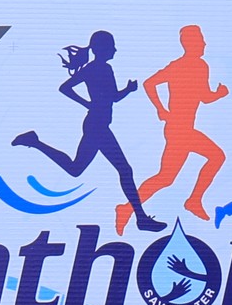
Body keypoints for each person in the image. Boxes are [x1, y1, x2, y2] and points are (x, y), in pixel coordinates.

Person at [16, 30, 162, 232]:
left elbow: (111, 97)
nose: (115, 50)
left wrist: (126, 91)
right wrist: (88, 103)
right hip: (97, 126)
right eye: (111, 46)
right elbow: (66, 88)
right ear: (101, 49)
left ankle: (34, 142)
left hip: (97, 125)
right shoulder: (95, 69)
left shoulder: (103, 68)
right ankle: (141, 218)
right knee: (124, 170)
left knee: (76, 169)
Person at [132, 23, 230, 225]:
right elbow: (149, 83)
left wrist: (219, 94)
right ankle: (193, 201)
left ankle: (128, 208)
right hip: (178, 130)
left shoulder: (201, 66)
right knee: (215, 157)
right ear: (191, 43)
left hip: (184, 129)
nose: (204, 44)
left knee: (166, 178)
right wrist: (161, 109)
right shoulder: (178, 66)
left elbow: (204, 97)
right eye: (201, 40)